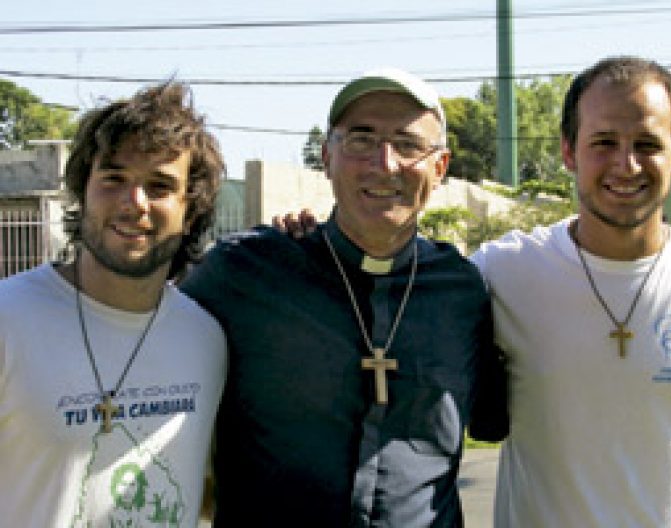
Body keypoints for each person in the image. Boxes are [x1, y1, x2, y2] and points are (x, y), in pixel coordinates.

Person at [181, 67, 507, 526]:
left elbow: (495, 418)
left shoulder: (462, 290)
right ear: (326, 156)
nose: (385, 163)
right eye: (361, 139)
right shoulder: (245, 272)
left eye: (408, 145)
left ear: (440, 169)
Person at [471, 56, 671, 526]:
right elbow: (399, 285)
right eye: (604, 142)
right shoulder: (502, 272)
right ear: (569, 152)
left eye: (647, 144)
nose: (625, 164)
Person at [0, 82, 227, 527]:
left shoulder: (206, 339)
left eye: (159, 186)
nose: (134, 203)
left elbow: (204, 495)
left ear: (191, 211)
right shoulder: (9, 319)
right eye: (114, 178)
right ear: (83, 191)